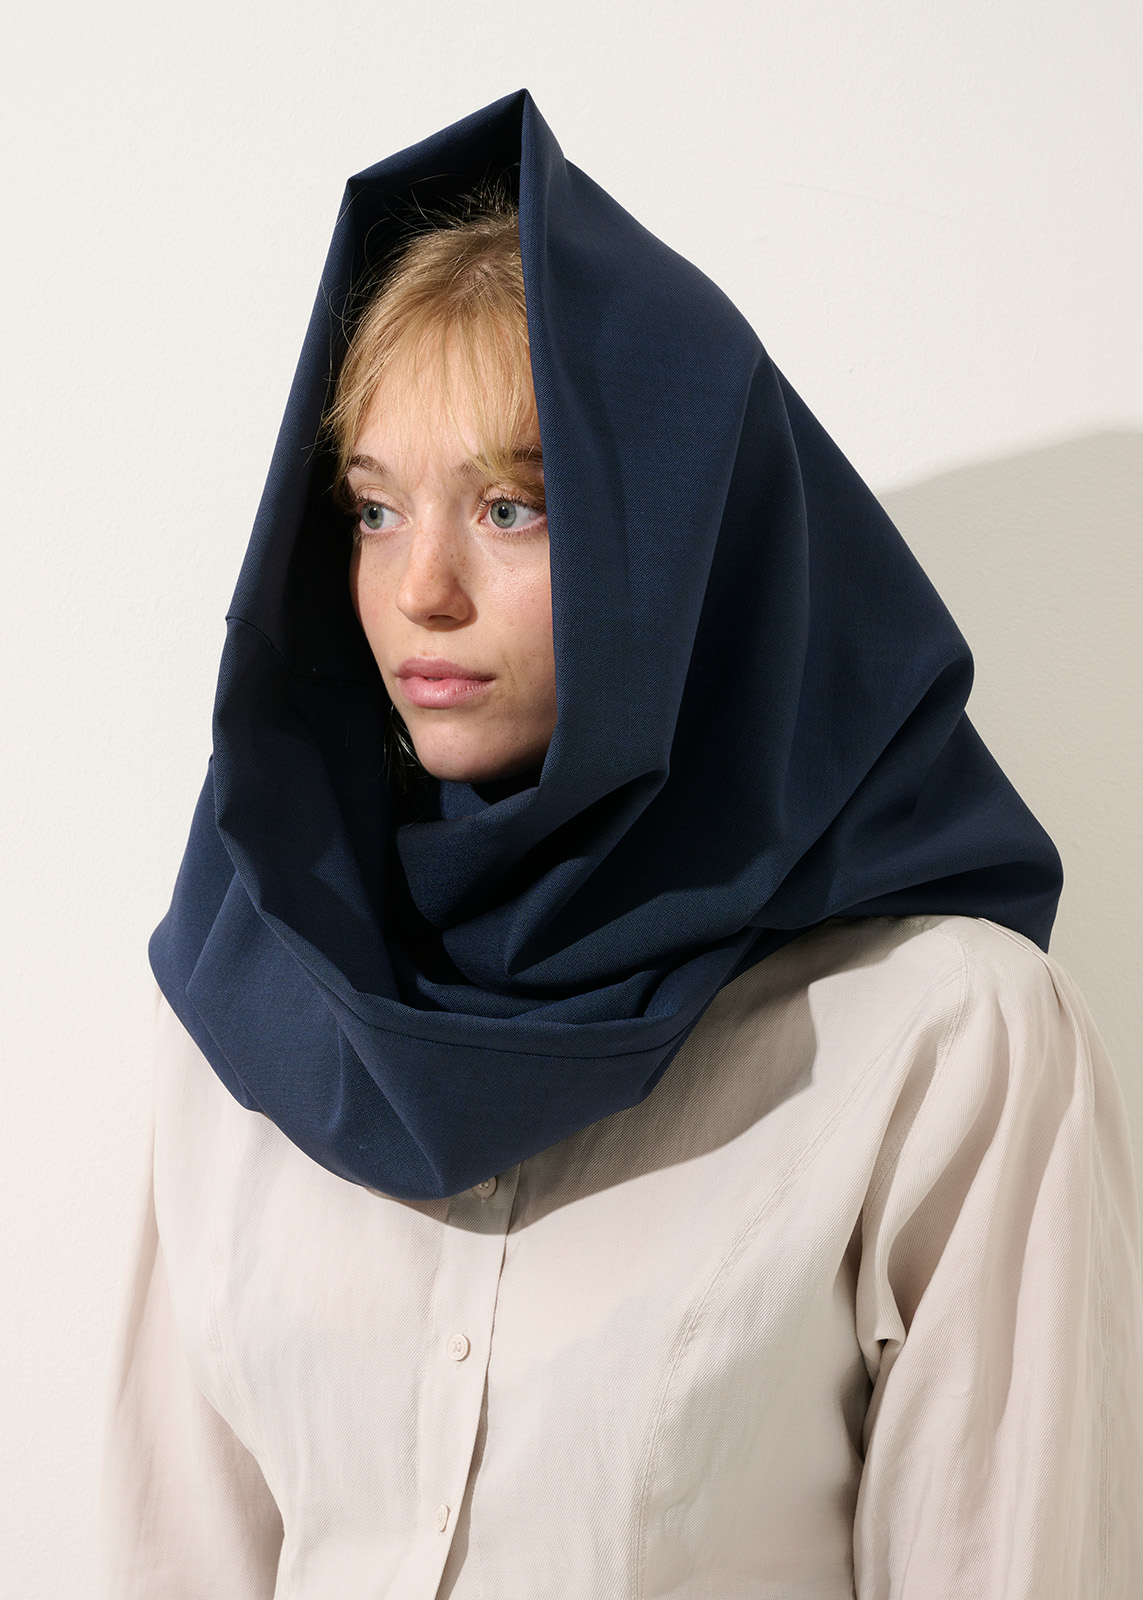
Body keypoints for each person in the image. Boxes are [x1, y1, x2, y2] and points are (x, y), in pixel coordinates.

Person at [100, 89, 1143, 1597]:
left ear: (682, 549)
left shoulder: (939, 1039)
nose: (421, 589)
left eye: (510, 508)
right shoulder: (249, 1005)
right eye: (374, 510)